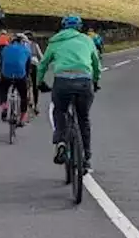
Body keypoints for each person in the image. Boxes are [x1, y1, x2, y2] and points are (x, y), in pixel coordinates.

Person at [36, 15, 102, 172]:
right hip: (84, 81)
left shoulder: (55, 41)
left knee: (59, 111)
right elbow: (96, 64)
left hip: (63, 82)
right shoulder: (87, 40)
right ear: (80, 27)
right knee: (83, 118)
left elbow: (43, 64)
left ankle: (61, 142)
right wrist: (96, 81)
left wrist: (39, 83)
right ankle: (86, 159)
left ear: (63, 27)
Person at [0, 32, 33, 126]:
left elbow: (1, 63)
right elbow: (28, 67)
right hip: (20, 75)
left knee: (3, 89)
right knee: (23, 96)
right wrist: (26, 76)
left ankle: (4, 106)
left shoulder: (5, 48)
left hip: (6, 74)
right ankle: (22, 118)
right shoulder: (26, 50)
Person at [20, 31, 44, 114]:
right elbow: (41, 57)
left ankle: (25, 99)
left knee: (23, 83)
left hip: (23, 65)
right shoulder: (35, 45)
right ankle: (36, 106)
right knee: (35, 86)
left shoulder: (21, 45)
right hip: (34, 64)